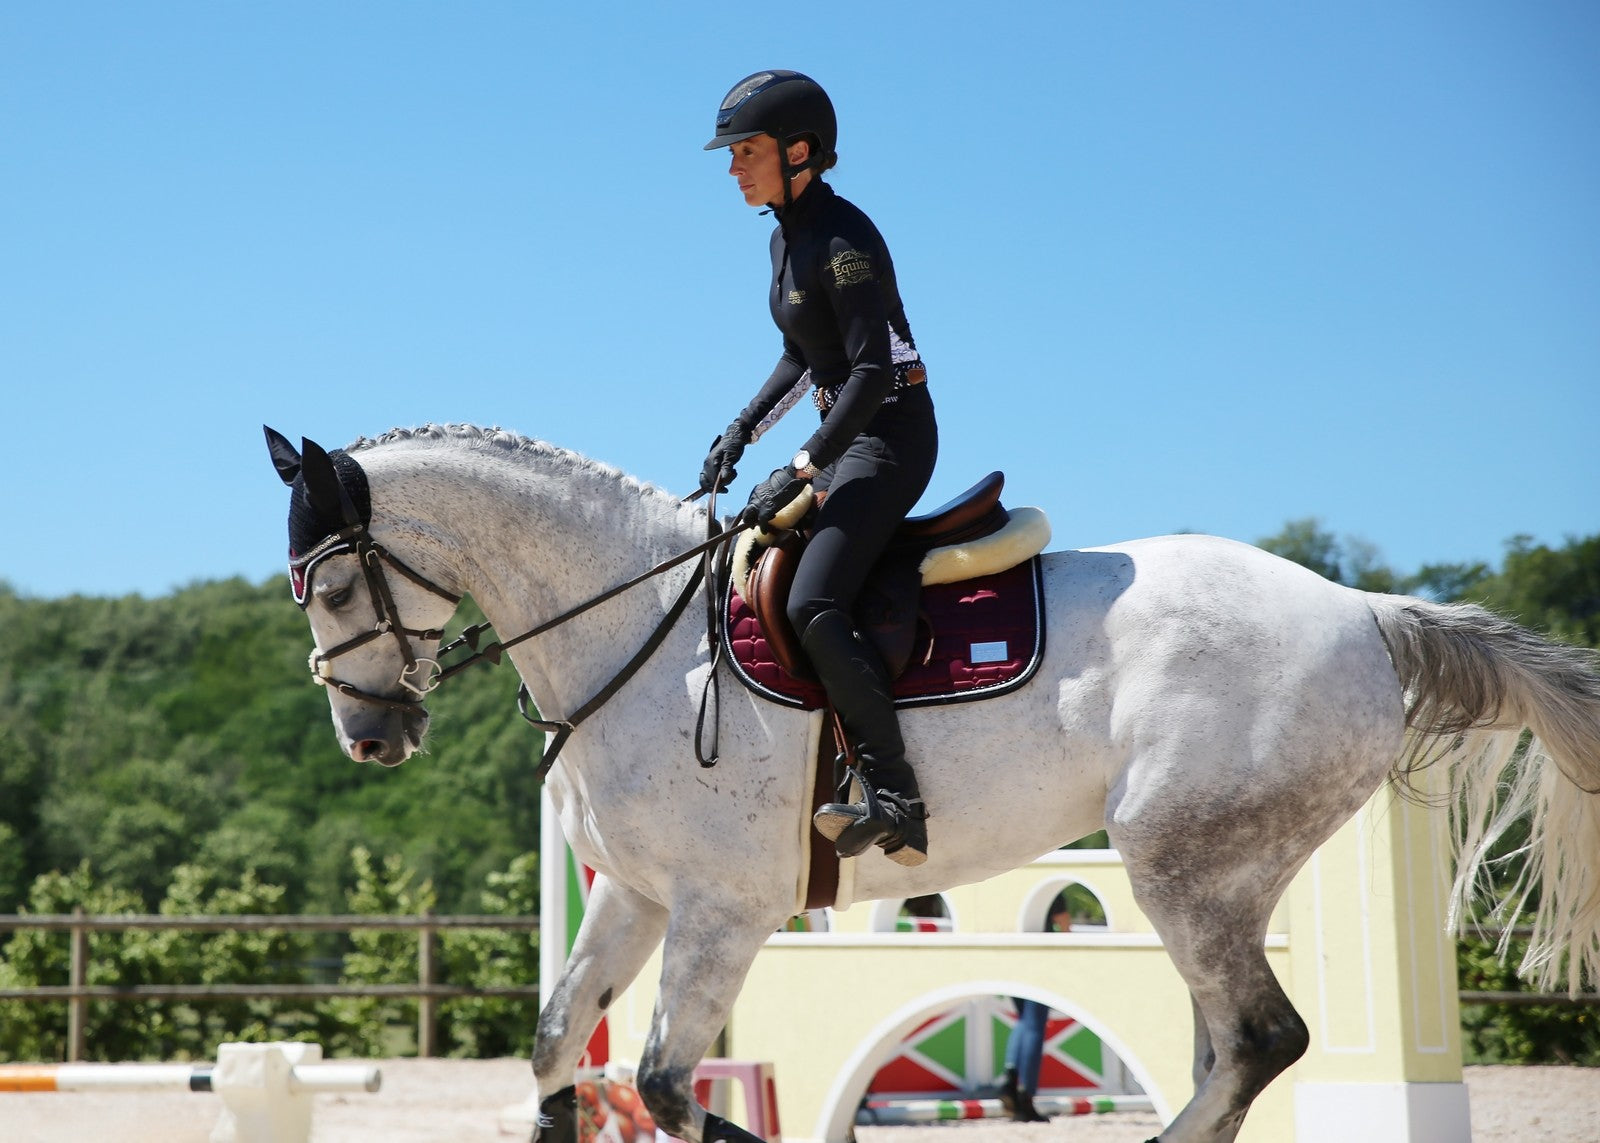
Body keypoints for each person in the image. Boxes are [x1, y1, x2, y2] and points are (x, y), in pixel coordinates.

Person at [698, 70, 938, 867]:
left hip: (892, 438)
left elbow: (871, 371)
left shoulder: (844, 241)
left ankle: (896, 795)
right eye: (731, 154)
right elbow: (802, 358)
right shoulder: (783, 238)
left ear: (798, 151)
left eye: (747, 151)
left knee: (813, 598)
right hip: (846, 439)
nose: (734, 167)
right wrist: (741, 430)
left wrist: (803, 464)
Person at [999, 896, 1074, 1122]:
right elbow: (1062, 918)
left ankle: (1009, 1080)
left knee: (1023, 1020)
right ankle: (1026, 1095)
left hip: (1008, 952)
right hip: (1037, 955)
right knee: (1034, 1024)